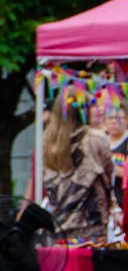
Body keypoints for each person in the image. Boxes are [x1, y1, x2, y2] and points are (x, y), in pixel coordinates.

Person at [36, 94, 119, 245]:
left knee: (67, 266)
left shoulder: (47, 140)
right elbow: (109, 178)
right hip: (91, 224)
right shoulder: (95, 138)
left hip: (59, 222)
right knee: (90, 266)